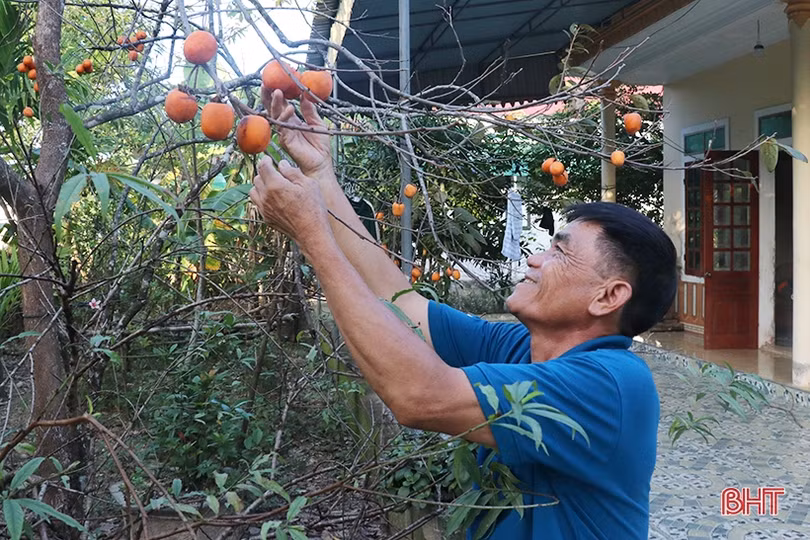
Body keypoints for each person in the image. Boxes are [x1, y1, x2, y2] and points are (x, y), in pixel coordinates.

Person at [249, 88, 678, 540]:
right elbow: (401, 301)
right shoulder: (524, 349)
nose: (535, 258)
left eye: (559, 252)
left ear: (608, 297)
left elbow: (418, 396)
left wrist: (314, 237)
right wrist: (321, 176)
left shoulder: (609, 385)